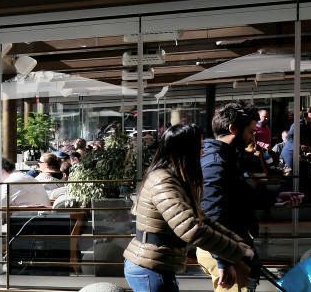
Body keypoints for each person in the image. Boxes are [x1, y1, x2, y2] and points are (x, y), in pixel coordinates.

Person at [124, 124, 253, 292]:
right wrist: (237, 252)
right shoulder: (164, 181)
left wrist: (239, 246)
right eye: (199, 147)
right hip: (150, 266)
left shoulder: (172, 177)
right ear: (186, 150)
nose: (203, 153)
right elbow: (191, 228)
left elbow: (202, 221)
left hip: (155, 265)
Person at [199, 105, 298, 292]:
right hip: (224, 250)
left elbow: (242, 194)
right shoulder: (216, 163)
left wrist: (275, 196)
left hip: (228, 247)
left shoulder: (224, 158)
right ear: (233, 129)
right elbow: (212, 215)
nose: (253, 137)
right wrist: (223, 262)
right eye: (251, 131)